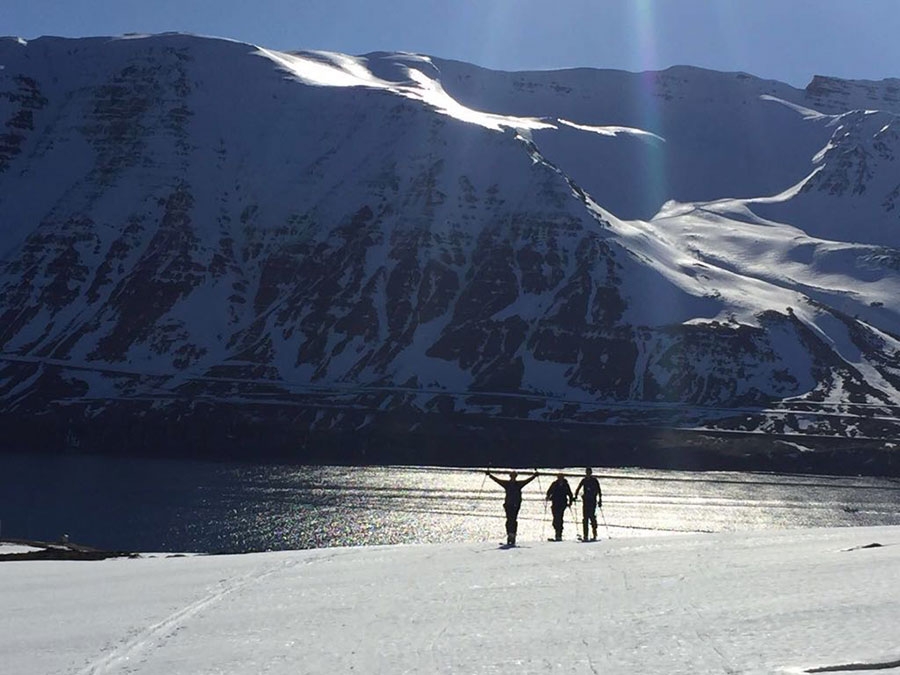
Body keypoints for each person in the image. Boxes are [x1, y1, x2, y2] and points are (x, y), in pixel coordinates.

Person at [485, 470, 538, 545]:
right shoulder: (507, 484)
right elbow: (497, 480)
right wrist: (490, 475)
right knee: (509, 519)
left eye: (514, 476)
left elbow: (527, 481)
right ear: (510, 476)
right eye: (512, 476)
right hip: (508, 504)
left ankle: (512, 534)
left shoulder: (518, 484)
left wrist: (534, 476)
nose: (513, 477)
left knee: (513, 519)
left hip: (516, 504)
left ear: (515, 477)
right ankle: (510, 534)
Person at [574, 467, 602, 541]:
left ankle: (594, 534)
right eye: (587, 472)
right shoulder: (584, 480)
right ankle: (585, 535)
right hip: (586, 501)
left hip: (592, 501)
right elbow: (578, 488)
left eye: (589, 472)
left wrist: (600, 500)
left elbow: (599, 490)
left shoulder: (594, 480)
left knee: (592, 517)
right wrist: (575, 496)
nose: (588, 474)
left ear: (591, 473)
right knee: (585, 518)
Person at [545, 473, 574, 541]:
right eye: (559, 477)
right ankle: (557, 531)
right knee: (555, 519)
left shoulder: (566, 485)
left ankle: (559, 534)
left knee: (559, 518)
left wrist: (570, 502)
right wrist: (548, 496)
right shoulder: (554, 484)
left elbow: (570, 494)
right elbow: (549, 491)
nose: (560, 478)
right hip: (555, 503)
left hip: (562, 504)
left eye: (561, 477)